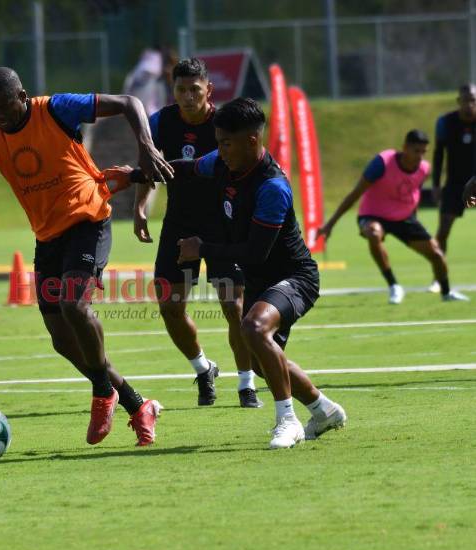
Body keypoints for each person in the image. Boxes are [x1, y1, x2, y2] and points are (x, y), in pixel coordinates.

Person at [0, 67, 173, 446]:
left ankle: (102, 392)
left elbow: (130, 102)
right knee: (62, 338)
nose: (0, 116)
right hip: (48, 236)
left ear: (22, 96)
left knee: (74, 306)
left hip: (88, 219)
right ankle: (136, 404)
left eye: (5, 107)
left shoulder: (56, 109)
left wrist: (146, 146)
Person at [118, 98, 346, 449]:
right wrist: (133, 175)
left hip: (294, 278)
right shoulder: (223, 162)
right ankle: (323, 409)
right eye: (219, 142)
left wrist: (202, 249)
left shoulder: (272, 187)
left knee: (253, 328)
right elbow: (186, 169)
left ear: (252, 140)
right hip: (260, 281)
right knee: (260, 359)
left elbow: (255, 252)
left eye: (225, 143)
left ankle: (287, 421)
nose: (219, 151)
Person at [134, 57, 261, 408]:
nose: (188, 96)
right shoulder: (161, 122)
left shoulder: (225, 123)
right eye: (181, 90)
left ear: (209, 89)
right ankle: (204, 369)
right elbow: (148, 165)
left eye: (195, 89)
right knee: (170, 307)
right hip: (178, 223)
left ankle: (246, 384)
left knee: (234, 307)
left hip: (222, 224)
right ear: (172, 91)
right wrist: (140, 207)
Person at [319, 130, 468, 304]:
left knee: (436, 254)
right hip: (373, 214)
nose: (420, 156)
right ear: (404, 148)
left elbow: (414, 193)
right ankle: (394, 286)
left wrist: (415, 219)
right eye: (416, 151)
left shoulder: (424, 168)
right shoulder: (382, 163)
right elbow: (355, 193)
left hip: (404, 218)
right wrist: (330, 224)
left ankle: (447, 293)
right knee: (374, 234)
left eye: (423, 152)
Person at [430, 84, 476, 291]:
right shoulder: (446, 123)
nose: (469, 104)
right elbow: (438, 154)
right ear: (459, 101)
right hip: (455, 185)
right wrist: (436, 184)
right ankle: (438, 278)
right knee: (443, 232)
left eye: (473, 100)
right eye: (466, 100)